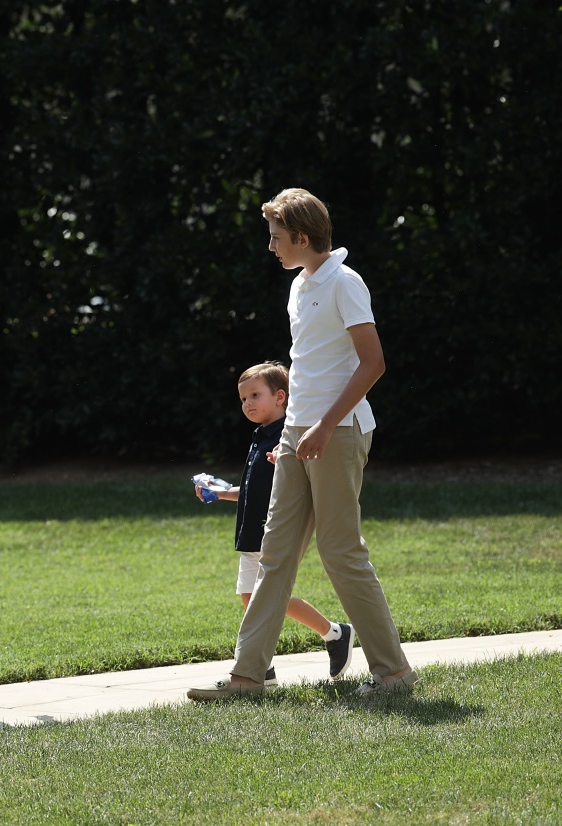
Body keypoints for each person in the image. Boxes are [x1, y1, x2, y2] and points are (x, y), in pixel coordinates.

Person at [188, 188, 416, 701]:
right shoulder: (299, 285)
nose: (270, 246)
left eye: (275, 237)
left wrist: (320, 426)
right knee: (274, 553)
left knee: (340, 552)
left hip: (337, 431)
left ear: (302, 237)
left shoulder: (344, 282)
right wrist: (291, 433)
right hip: (298, 432)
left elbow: (372, 363)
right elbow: (311, 365)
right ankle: (247, 678)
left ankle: (394, 675)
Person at [192, 361, 355, 686]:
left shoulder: (286, 437)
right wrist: (220, 492)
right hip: (252, 532)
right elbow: (254, 490)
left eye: (255, 395)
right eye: (243, 399)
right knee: (251, 600)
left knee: (263, 599)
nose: (248, 403)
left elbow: (300, 483)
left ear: (280, 397)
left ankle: (270, 662)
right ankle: (320, 640)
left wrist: (288, 454)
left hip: (273, 531)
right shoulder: (259, 438)